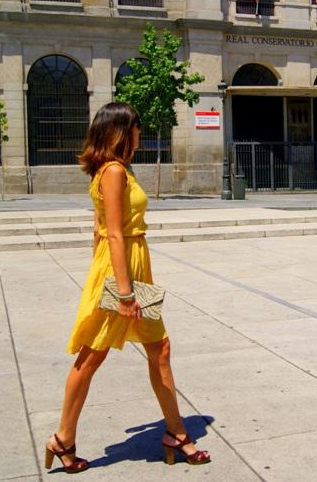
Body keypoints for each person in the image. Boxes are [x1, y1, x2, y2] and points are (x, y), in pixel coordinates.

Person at [44, 103, 210, 474]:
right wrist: (122, 292)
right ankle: (62, 438)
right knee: (92, 356)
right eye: (137, 127)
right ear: (122, 131)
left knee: (160, 347)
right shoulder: (115, 170)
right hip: (122, 273)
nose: (141, 133)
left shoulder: (115, 170)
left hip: (132, 265)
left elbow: (98, 230)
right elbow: (113, 232)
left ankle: (176, 432)